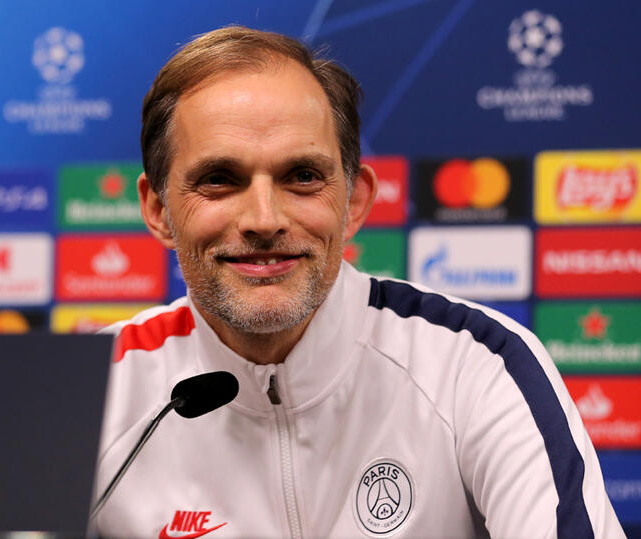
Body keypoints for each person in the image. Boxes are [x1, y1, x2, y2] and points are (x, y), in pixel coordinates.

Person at [93, 26, 623, 538]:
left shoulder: (476, 363)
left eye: (303, 176)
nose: (264, 219)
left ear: (355, 202)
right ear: (159, 210)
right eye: (218, 180)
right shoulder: (91, 388)